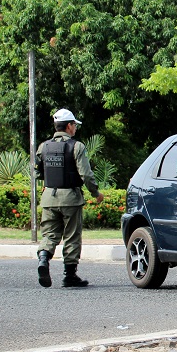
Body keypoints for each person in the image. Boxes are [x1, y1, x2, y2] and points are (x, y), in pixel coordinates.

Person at [35, 108, 104, 288]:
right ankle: (70, 275)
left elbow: (36, 172)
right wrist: (96, 193)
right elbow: (86, 175)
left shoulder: (44, 147)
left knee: (49, 234)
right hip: (71, 198)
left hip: (49, 197)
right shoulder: (76, 146)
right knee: (72, 236)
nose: (75, 128)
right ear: (68, 126)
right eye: (74, 125)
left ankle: (43, 259)